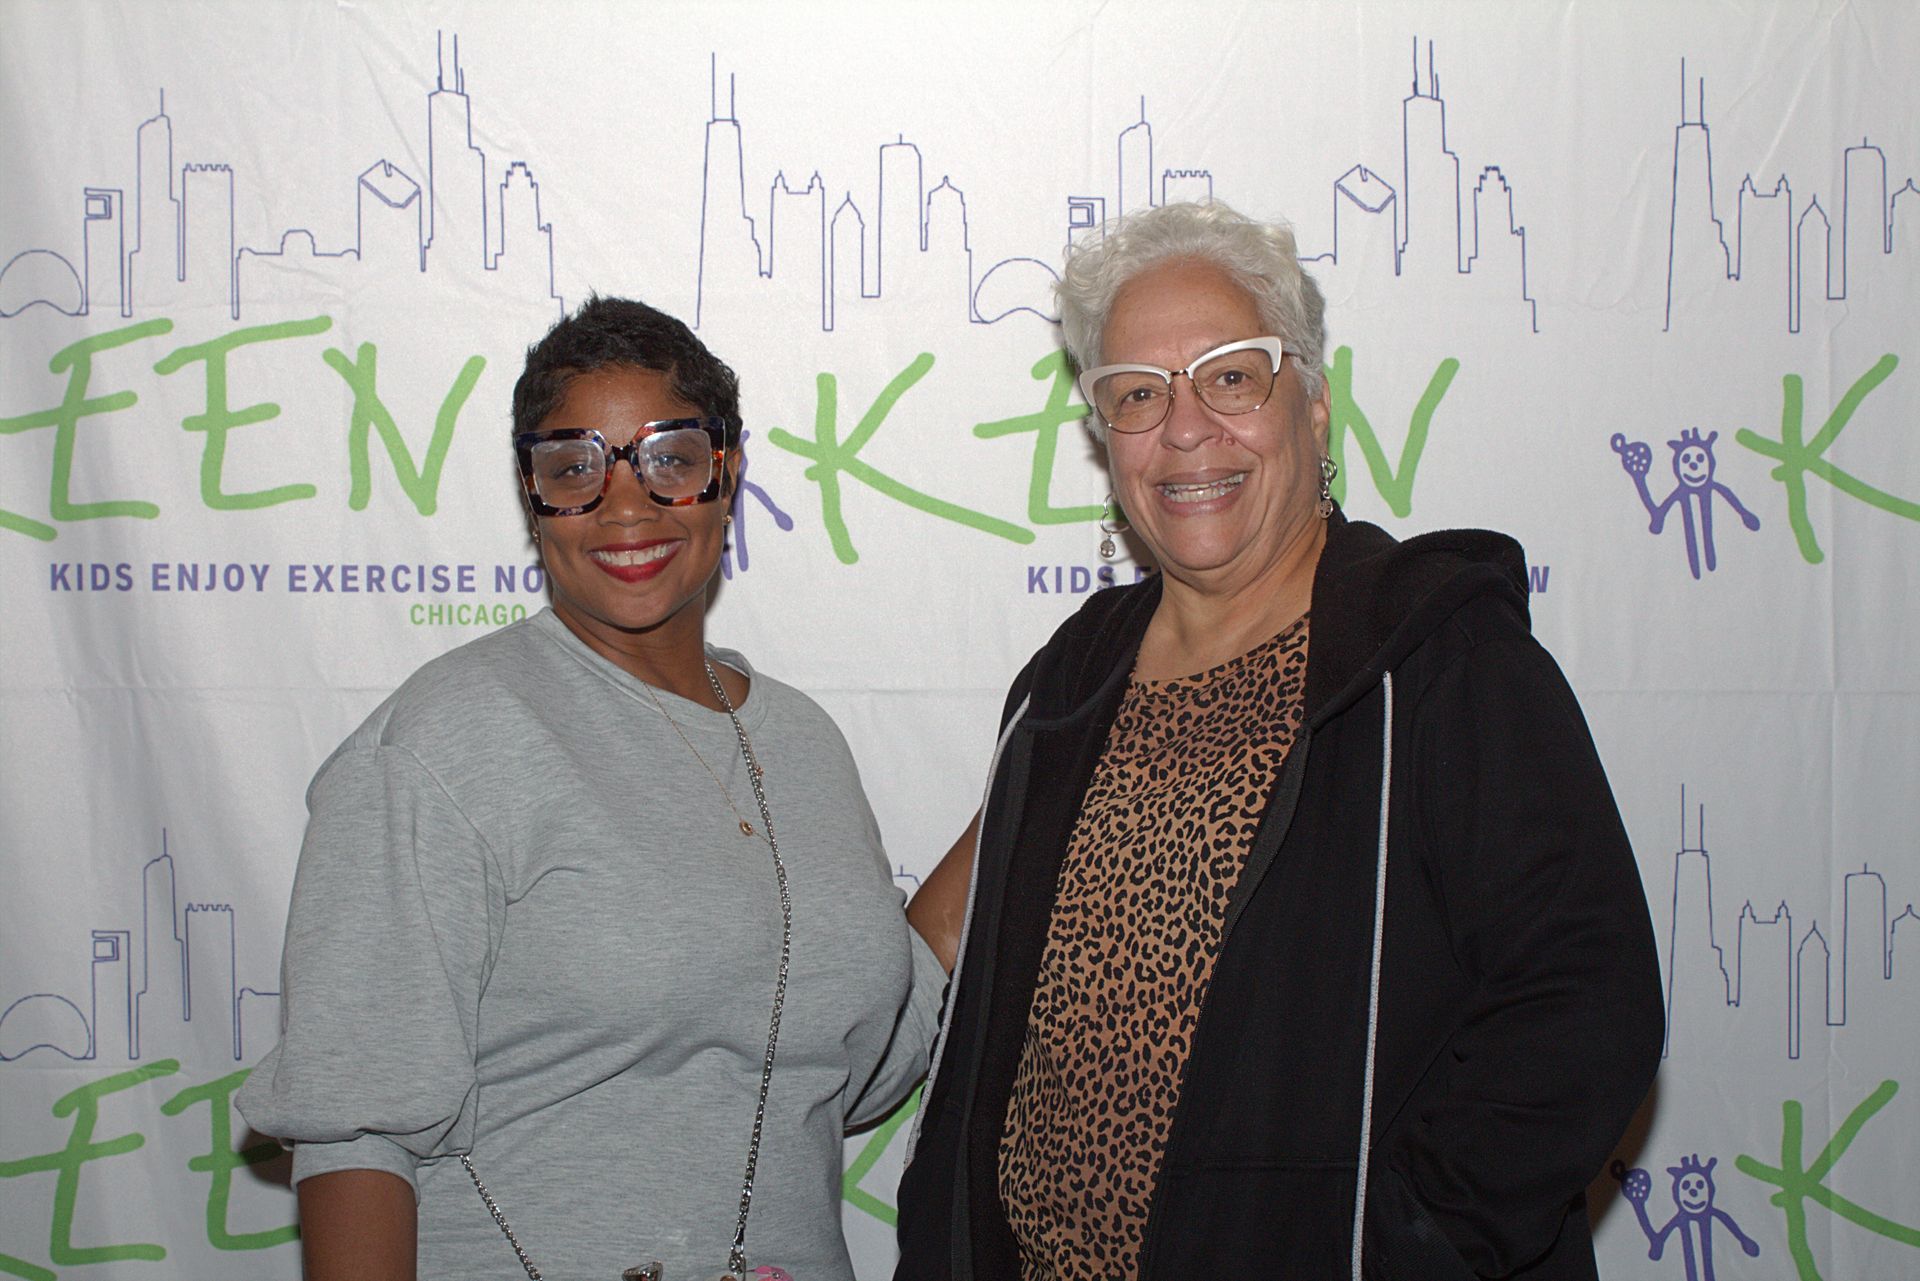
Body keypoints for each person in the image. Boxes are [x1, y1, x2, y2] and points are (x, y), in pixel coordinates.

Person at [894, 202, 1665, 1280]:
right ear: (1104, 439)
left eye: (1231, 376)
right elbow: (955, 965)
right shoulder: (1072, 679)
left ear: (1312, 404)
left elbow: (1587, 1003)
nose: (1186, 427)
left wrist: (1399, 1245)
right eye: (1137, 394)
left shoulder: (1439, 664)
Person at [238, 296, 945, 1281]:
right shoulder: (446, 740)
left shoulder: (806, 744)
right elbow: (356, 1134)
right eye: (574, 467)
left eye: (668, 457)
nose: (624, 505)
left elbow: (857, 1070)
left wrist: (1032, 799)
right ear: (533, 498)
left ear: (725, 475)